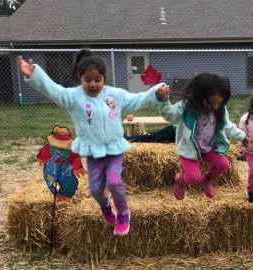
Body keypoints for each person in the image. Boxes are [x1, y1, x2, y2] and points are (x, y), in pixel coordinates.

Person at [17, 48, 170, 236]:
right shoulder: (73, 98)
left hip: (114, 149)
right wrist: (35, 74)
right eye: (87, 80)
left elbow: (137, 100)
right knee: (95, 189)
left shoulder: (115, 95)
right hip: (93, 152)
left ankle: (123, 214)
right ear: (80, 79)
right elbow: (53, 91)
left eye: (97, 80)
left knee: (114, 182)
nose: (92, 84)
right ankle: (106, 208)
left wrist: (156, 91)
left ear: (104, 78)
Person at [159, 73, 250, 200]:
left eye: (219, 103)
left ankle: (208, 179)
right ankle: (180, 179)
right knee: (194, 178)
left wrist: (242, 136)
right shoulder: (187, 106)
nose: (215, 107)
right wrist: (163, 101)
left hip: (207, 148)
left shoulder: (220, 110)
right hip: (189, 149)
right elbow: (170, 115)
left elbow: (227, 126)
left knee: (224, 164)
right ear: (200, 95)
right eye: (212, 102)